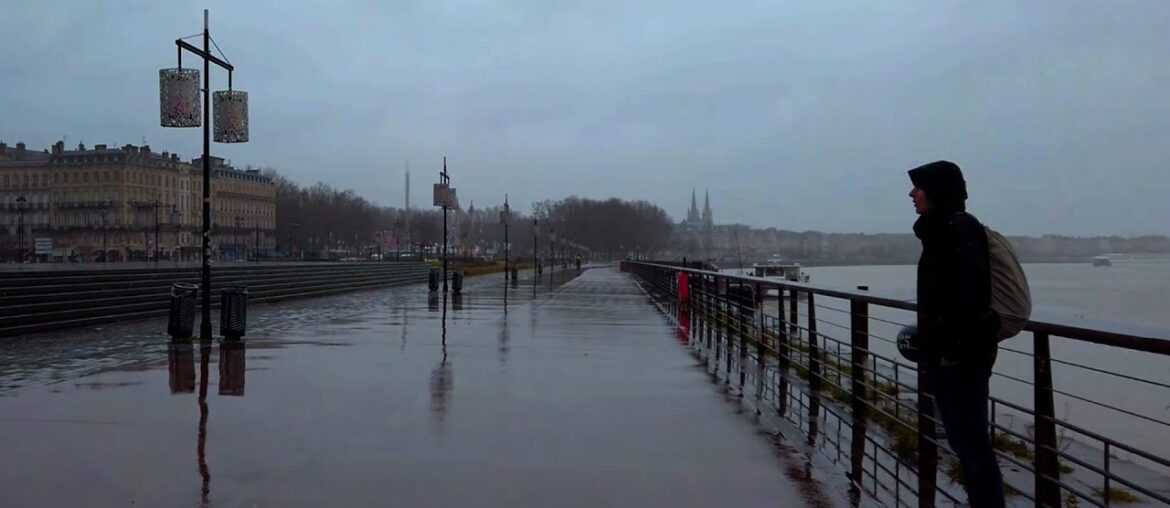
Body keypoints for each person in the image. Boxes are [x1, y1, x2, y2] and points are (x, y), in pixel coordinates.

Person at [908, 160, 1005, 507]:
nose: (912, 194)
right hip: (950, 353)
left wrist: (945, 343)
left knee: (972, 447)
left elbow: (966, 296)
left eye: (919, 188)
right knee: (965, 445)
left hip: (961, 356)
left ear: (937, 191)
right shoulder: (941, 230)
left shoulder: (958, 230)